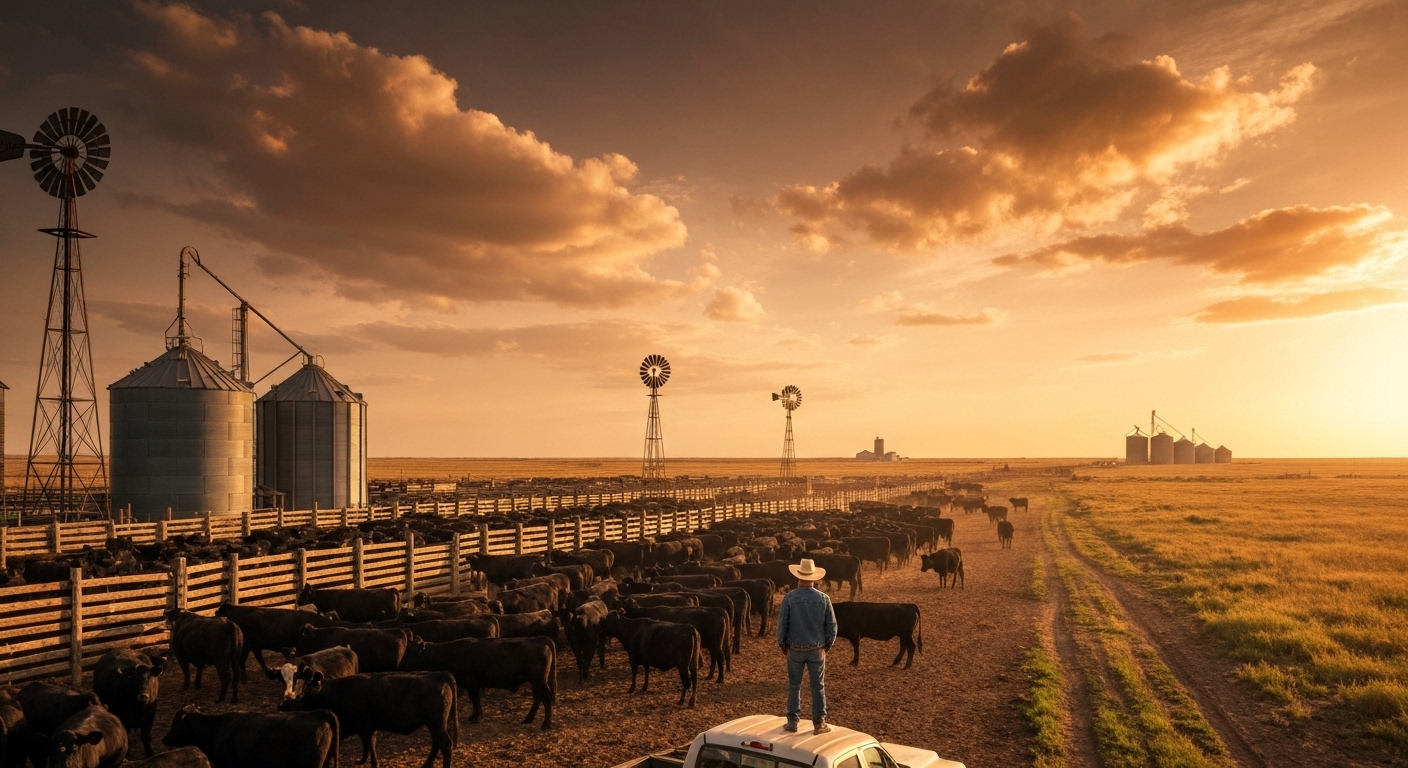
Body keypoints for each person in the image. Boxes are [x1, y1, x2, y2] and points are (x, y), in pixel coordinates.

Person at [775, 558, 837, 734]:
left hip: (795, 648)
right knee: (817, 686)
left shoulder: (789, 598)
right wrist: (827, 645)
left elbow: (782, 624)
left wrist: (782, 643)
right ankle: (819, 723)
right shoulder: (824, 598)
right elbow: (832, 625)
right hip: (817, 648)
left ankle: (792, 722)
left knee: (794, 685)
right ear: (814, 578)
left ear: (798, 577)